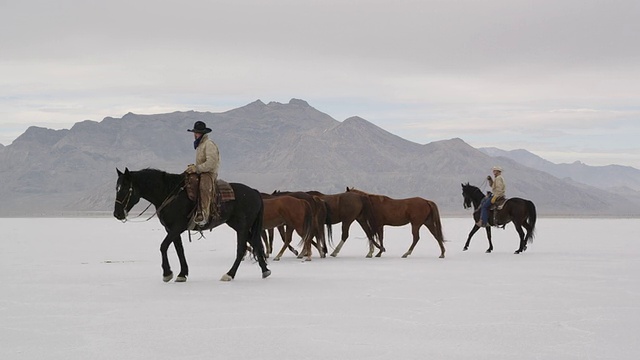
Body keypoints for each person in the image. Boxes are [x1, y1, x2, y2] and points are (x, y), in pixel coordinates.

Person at [186, 121, 220, 226]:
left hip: (209, 173)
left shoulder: (209, 144)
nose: (195, 134)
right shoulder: (200, 145)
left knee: (204, 187)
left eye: (197, 132)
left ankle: (204, 214)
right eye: (195, 132)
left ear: (202, 133)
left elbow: (211, 163)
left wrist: (197, 168)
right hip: (201, 172)